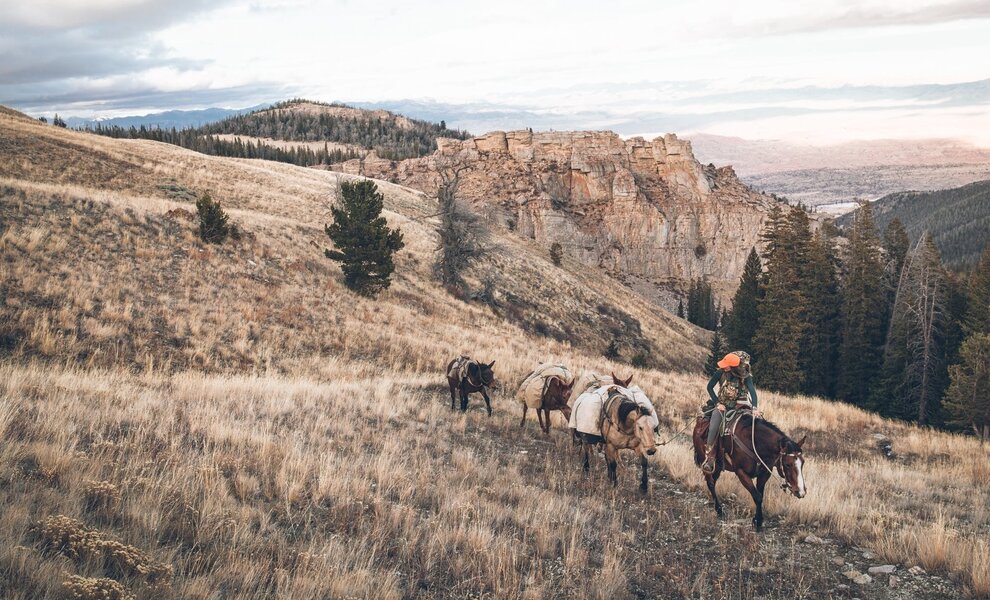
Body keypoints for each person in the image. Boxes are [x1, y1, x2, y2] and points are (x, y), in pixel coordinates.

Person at [701, 351, 760, 473]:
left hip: (741, 406)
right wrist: (718, 403)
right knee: (714, 427)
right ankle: (710, 456)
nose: (723, 366)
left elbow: (753, 393)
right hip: (723, 406)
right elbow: (709, 387)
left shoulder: (746, 376)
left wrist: (754, 408)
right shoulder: (720, 372)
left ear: (733, 367)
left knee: (758, 425)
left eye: (725, 365)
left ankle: (758, 457)